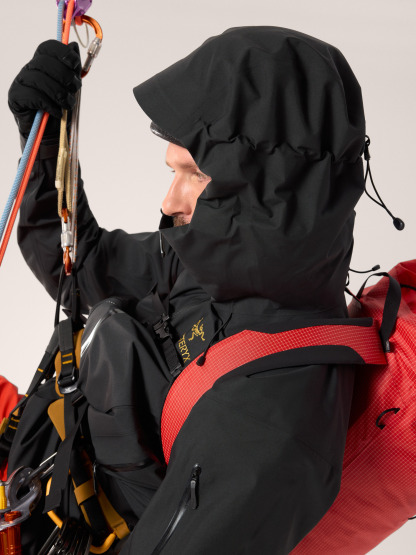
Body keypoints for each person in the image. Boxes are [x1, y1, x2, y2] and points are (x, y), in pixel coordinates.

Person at [7, 26, 366, 554]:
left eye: (195, 174)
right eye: (174, 170)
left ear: (272, 186)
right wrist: (46, 140)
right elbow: (81, 271)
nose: (169, 201)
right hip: (33, 467)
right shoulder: (218, 262)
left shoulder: (266, 425)